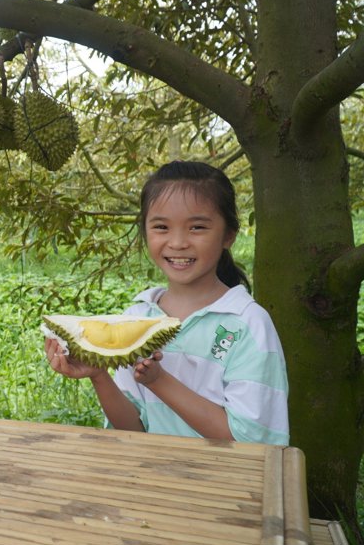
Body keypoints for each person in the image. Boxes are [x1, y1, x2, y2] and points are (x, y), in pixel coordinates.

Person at [45, 160, 289, 445]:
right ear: (145, 232)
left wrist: (158, 381)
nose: (177, 242)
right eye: (161, 227)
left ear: (229, 235)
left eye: (197, 227)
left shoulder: (248, 324)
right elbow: (131, 430)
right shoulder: (138, 316)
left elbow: (251, 440)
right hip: (155, 480)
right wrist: (99, 374)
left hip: (226, 486)